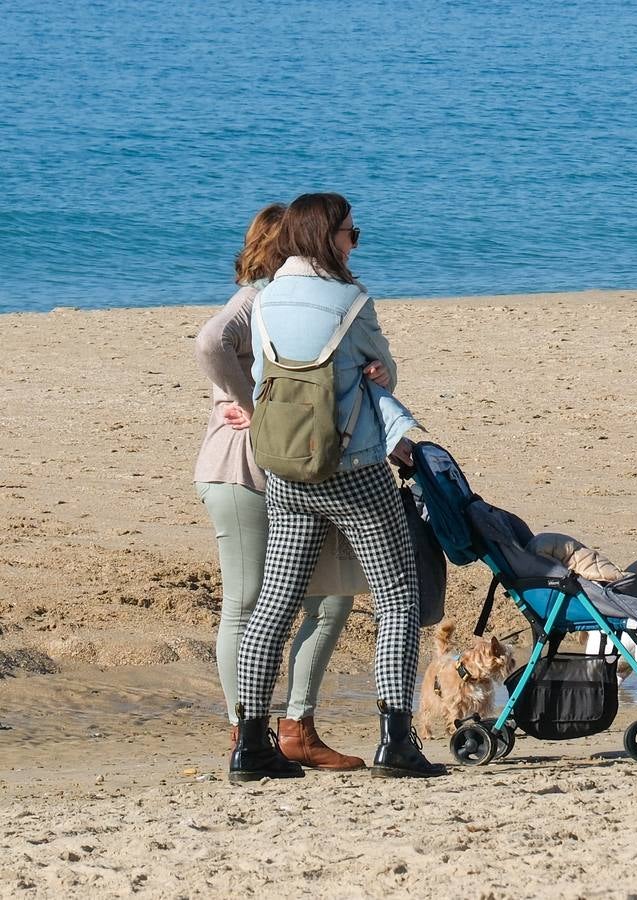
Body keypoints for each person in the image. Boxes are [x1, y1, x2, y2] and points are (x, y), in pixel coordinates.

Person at [229, 192, 447, 780]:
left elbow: (260, 378)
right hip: (353, 469)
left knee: (274, 603)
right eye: (352, 232)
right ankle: (395, 738)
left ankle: (249, 742)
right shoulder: (352, 302)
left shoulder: (266, 299)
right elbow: (383, 368)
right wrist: (377, 374)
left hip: (284, 468)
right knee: (397, 597)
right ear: (328, 237)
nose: (356, 241)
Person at [195, 203, 364, 770]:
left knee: (331, 595)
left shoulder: (287, 301)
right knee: (245, 603)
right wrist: (251, 404)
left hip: (292, 468)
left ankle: (296, 726)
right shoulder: (255, 298)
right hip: (240, 466)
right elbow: (210, 342)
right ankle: (246, 733)